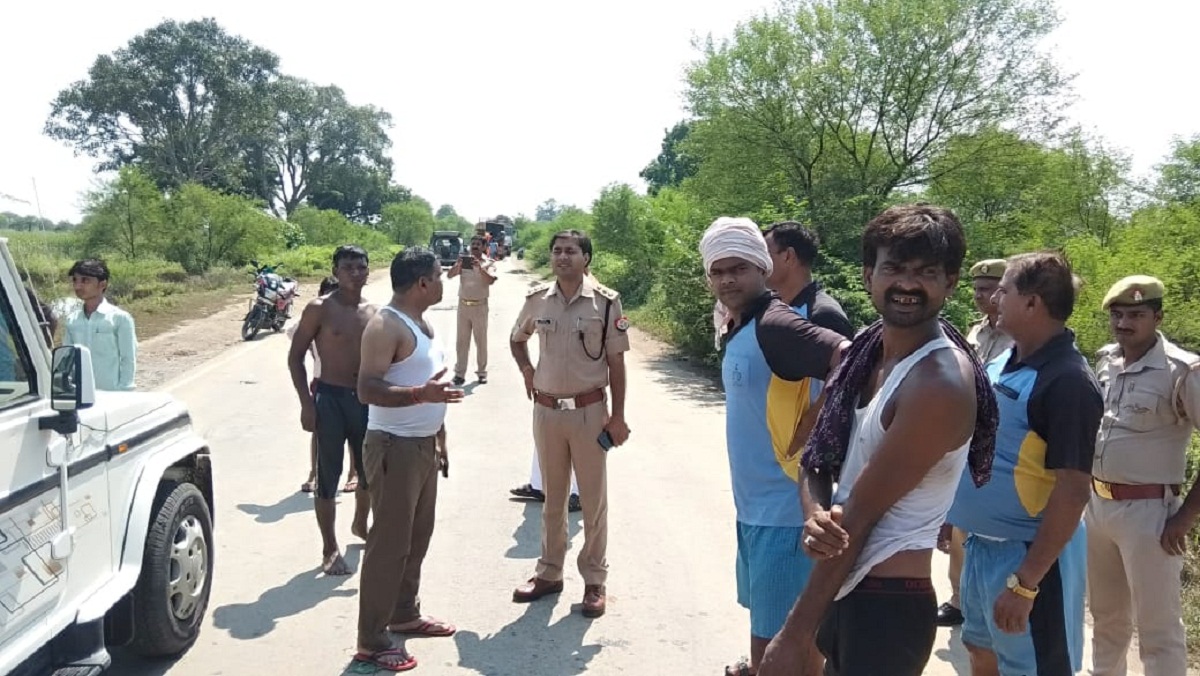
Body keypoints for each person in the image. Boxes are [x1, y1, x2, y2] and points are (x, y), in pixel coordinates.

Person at [759, 204, 998, 676]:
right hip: (845, 588)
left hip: (888, 606)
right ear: (869, 274)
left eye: (926, 272)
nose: (907, 284)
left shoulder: (938, 383)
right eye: (894, 268)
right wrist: (815, 517)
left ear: (949, 283)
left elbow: (861, 516)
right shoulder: (867, 353)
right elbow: (817, 458)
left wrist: (793, 635)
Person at [699, 216, 851, 676]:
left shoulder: (774, 321)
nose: (728, 279)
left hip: (785, 513)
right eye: (718, 271)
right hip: (756, 508)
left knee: (783, 647)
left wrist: (815, 421)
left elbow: (853, 355)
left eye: (739, 268)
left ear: (763, 268)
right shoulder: (742, 322)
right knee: (772, 638)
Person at [946, 251, 1103, 676]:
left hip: (1029, 560)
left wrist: (1027, 582)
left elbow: (1072, 491)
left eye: (1005, 289)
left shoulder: (1067, 382)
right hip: (982, 546)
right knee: (981, 650)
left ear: (1032, 303)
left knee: (1033, 667)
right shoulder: (1002, 360)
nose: (994, 297)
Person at [509, 229, 630, 618]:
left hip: (589, 412)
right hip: (546, 412)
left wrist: (618, 416)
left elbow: (616, 364)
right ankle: (549, 573)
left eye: (571, 251)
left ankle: (594, 581)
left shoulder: (606, 303)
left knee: (593, 501)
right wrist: (528, 370)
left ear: (586, 258)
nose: (563, 257)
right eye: (557, 251)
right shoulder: (536, 300)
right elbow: (517, 339)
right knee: (553, 499)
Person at [354, 247, 464, 672]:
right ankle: (372, 639)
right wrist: (422, 397)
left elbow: (428, 382)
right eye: (438, 275)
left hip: (421, 446)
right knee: (388, 546)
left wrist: (439, 432)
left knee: (416, 539)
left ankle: (403, 613)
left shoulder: (423, 323)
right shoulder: (385, 326)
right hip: (392, 447)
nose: (442, 281)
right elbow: (367, 389)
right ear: (422, 282)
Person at [1087, 275, 1200, 676]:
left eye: (1136, 314)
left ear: (1158, 316)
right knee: (1106, 619)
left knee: (1158, 629)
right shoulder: (1106, 360)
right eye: (1117, 315)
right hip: (1097, 506)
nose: (1124, 323)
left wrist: (1184, 518)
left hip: (1150, 513)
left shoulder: (1182, 370)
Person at [287, 245, 375, 576]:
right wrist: (306, 405)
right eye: (348, 267)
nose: (355, 273)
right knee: (328, 476)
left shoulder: (374, 313)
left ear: (368, 271)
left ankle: (360, 523)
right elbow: (295, 357)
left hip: (365, 401)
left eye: (360, 267)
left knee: (369, 473)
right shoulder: (319, 309)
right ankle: (329, 546)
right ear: (335, 271)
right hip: (329, 399)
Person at [937, 257, 1015, 627]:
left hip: (1006, 442)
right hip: (968, 438)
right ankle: (958, 598)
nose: (982, 296)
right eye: (978, 289)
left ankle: (994, 600)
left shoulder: (1021, 335)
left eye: (989, 289)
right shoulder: (975, 332)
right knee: (959, 523)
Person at [288, 277, 358, 494]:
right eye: (326, 294)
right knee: (319, 431)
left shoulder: (354, 315)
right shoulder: (314, 318)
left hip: (351, 383)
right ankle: (314, 472)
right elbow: (296, 342)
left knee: (353, 432)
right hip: (322, 381)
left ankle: (353, 473)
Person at [763, 221, 854, 340]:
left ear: (788, 256)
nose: (759, 263)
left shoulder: (824, 317)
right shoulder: (773, 310)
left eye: (765, 255)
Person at [63, 258, 137, 391]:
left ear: (102, 284)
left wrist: (124, 391)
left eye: (85, 280)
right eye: (75, 280)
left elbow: (128, 359)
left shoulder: (120, 319)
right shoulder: (72, 321)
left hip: (112, 394)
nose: (78, 286)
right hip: (81, 395)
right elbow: (67, 360)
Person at [447, 235, 497, 386]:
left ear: (483, 247)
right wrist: (458, 266)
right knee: (461, 342)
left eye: (477, 244)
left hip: (480, 306)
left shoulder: (489, 263)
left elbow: (491, 280)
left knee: (480, 341)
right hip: (463, 306)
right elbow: (449, 276)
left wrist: (479, 268)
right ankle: (459, 374)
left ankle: (482, 373)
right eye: (472, 244)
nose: (474, 246)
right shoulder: (463, 261)